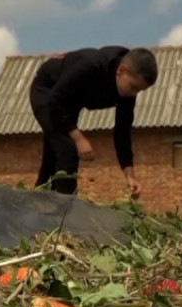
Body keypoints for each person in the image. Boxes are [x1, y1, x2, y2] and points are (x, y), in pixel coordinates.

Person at [28, 46, 159, 197]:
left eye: (139, 91)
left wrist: (129, 176)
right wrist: (78, 138)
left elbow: (122, 132)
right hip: (49, 92)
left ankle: (39, 203)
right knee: (68, 150)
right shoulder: (91, 65)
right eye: (134, 87)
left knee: (53, 158)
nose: (134, 93)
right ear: (121, 70)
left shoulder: (127, 92)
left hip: (69, 103)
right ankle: (68, 211)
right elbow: (56, 101)